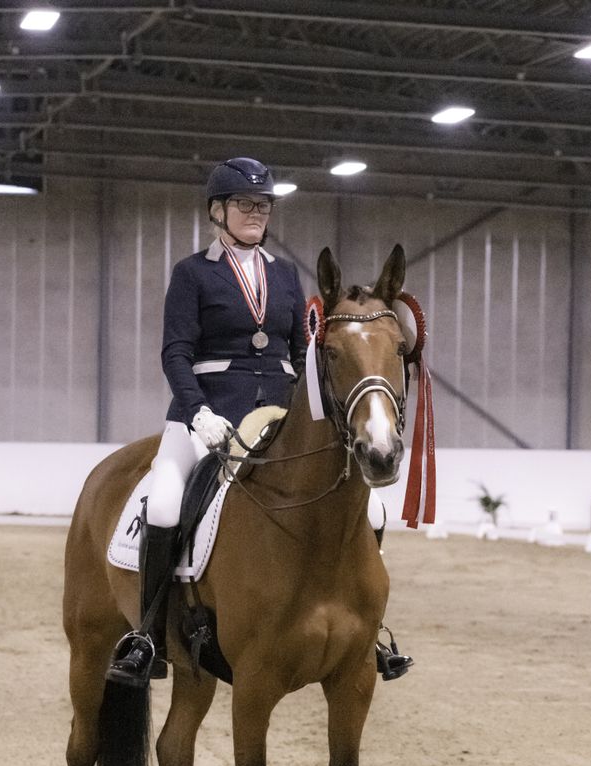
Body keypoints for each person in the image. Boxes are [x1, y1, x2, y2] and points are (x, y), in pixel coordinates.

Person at [107, 156, 411, 686]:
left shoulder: (283, 275)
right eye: (244, 204)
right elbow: (176, 353)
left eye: (263, 205)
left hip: (273, 413)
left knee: (376, 510)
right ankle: (148, 636)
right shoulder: (193, 273)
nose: (255, 213)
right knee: (164, 502)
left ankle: (369, 632)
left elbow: (302, 352)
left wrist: (310, 415)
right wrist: (197, 411)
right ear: (217, 212)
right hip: (204, 413)